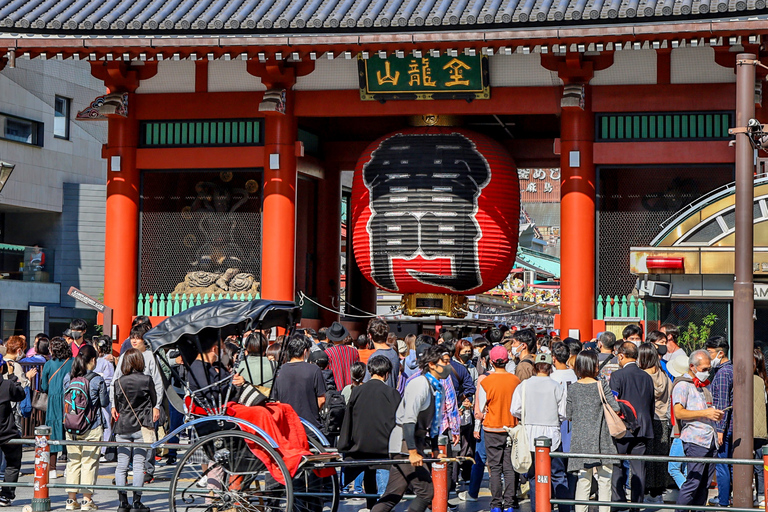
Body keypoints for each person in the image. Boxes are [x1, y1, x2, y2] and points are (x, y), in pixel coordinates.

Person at [370, 345, 452, 512]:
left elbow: (435, 424)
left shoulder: (439, 388)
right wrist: (413, 452)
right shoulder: (419, 384)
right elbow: (409, 421)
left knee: (392, 494)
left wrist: (435, 449)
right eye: (445, 362)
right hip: (404, 443)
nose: (448, 366)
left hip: (415, 442)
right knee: (426, 492)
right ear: (431, 364)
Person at [338, 355, 401, 510]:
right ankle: (381, 507)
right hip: (384, 447)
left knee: (368, 474)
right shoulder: (392, 393)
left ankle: (371, 504)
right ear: (387, 373)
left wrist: (344, 444)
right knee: (384, 480)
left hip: (361, 445)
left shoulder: (357, 391)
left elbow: (348, 420)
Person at [510, 353, 567, 512]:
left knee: (534, 476)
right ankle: (563, 508)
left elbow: (515, 409)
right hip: (552, 436)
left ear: (535, 367)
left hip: (530, 435)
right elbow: (564, 413)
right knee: (558, 475)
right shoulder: (557, 386)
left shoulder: (524, 385)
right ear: (550, 367)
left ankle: (539, 508)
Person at [567, 350, 620, 512]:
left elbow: (568, 414)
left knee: (583, 480)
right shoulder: (601, 384)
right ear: (592, 366)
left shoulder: (573, 388)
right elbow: (615, 408)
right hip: (602, 438)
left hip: (581, 441)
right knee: (605, 480)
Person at [110, 324, 164, 483]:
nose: (134, 340)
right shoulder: (126, 354)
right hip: (128, 406)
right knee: (128, 452)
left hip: (145, 406)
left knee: (146, 440)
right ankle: (129, 482)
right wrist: (114, 404)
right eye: (132, 337)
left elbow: (158, 383)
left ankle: (148, 470)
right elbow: (115, 381)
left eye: (137, 337)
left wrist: (156, 405)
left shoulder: (150, 356)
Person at [673, 350, 724, 509]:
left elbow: (705, 410)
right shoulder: (682, 384)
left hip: (710, 439)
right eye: (704, 369)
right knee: (693, 482)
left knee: (705, 484)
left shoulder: (704, 386)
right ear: (692, 367)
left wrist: (714, 415)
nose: (707, 373)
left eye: (709, 369)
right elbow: (678, 412)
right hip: (695, 440)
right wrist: (706, 413)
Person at [62, 345, 109, 511]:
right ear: (93, 360)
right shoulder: (97, 379)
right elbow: (104, 402)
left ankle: (70, 500)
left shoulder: (68, 377)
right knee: (89, 463)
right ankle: (87, 501)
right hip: (92, 426)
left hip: (71, 426)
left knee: (73, 462)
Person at [609, 341, 655, 508]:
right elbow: (651, 404)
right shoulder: (647, 377)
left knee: (617, 465)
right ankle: (637, 504)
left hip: (622, 427)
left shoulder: (617, 376)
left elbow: (613, 403)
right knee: (639, 468)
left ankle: (618, 502)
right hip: (643, 427)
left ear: (621, 355)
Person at [476, 345, 520, 512]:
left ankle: (496, 504)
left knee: (494, 468)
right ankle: (509, 504)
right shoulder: (515, 380)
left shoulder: (486, 381)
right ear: (507, 361)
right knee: (509, 468)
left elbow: (481, 407)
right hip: (511, 427)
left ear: (491, 362)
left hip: (491, 428)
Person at [113, 349, 158, 512]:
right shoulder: (146, 380)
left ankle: (122, 503)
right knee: (139, 465)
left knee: (121, 465)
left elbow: (117, 406)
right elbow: (154, 400)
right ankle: (137, 502)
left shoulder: (119, 382)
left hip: (123, 426)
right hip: (141, 426)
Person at [637, 342, 672, 504]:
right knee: (660, 456)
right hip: (663, 419)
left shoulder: (643, 376)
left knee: (647, 457)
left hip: (648, 419)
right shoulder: (663, 373)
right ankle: (658, 492)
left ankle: (646, 492)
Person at [273, 334, 326, 429]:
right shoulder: (314, 370)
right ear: (305, 351)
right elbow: (321, 399)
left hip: (287, 425)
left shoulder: (279, 371)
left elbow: (277, 401)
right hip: (310, 426)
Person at [704, 335, 733, 507]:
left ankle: (723, 499)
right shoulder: (730, 369)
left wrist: (720, 430)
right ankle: (725, 497)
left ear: (720, 353)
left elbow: (722, 404)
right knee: (727, 464)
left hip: (725, 427)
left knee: (722, 464)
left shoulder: (722, 374)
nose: (708, 356)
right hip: (730, 426)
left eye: (710, 352)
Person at [41, 336, 73, 480]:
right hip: (69, 400)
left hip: (53, 400)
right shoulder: (72, 362)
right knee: (70, 430)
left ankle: (52, 468)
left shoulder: (49, 364)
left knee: (53, 432)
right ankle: (69, 466)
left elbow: (43, 386)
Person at [0, 355, 25, 507]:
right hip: (7, 433)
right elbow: (20, 394)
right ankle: (5, 495)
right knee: (13, 463)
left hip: (6, 432)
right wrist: (12, 375)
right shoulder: (6, 385)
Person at [364, 318, 400, 388]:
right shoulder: (394, 353)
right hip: (391, 395)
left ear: (370, 336)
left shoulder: (374, 357)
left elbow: (367, 382)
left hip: (378, 396)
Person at [325, 321, 360, 391]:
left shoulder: (328, 353)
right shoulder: (354, 351)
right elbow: (358, 370)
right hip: (352, 389)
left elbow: (325, 373)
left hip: (336, 390)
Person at [754, 348, 768, 507]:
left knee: (757, 463)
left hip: (756, 429)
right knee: (759, 464)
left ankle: (761, 494)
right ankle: (761, 494)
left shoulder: (756, 381)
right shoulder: (764, 380)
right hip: (761, 429)